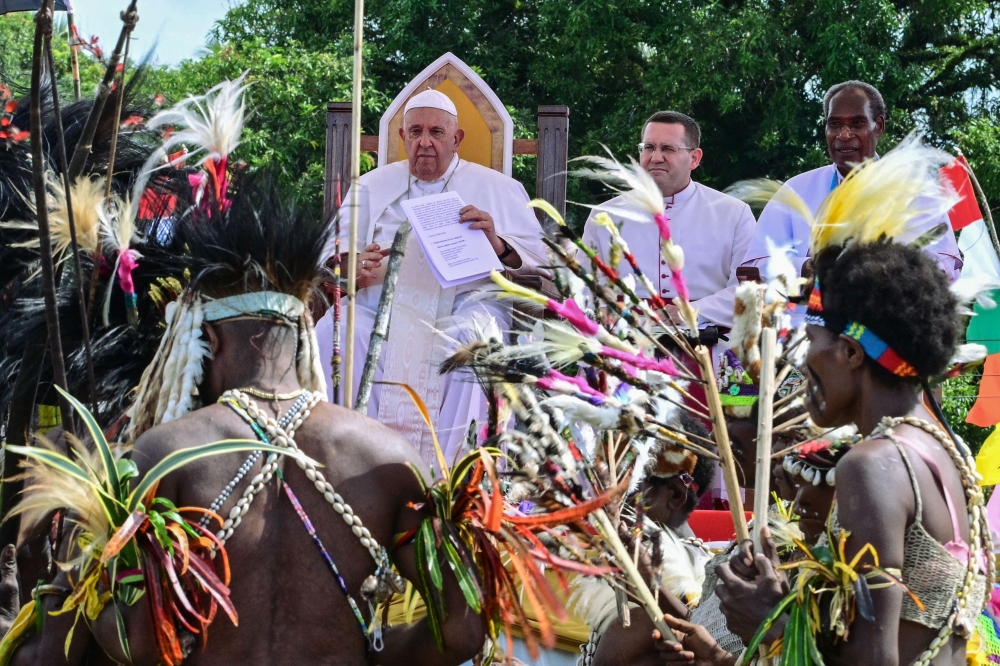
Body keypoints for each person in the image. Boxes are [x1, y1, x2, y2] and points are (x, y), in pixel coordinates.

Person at [0, 172, 486, 666]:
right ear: (299, 331)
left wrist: (68, 584)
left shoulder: (167, 454)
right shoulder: (388, 458)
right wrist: (374, 655)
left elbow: (144, 644)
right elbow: (465, 628)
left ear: (206, 340)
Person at [661, 140, 991, 665]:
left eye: (808, 339)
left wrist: (766, 621)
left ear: (849, 351)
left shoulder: (873, 466)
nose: (800, 359)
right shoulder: (940, 448)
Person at [316, 88, 547, 466]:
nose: (425, 142)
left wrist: (497, 242)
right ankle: (341, 464)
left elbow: (541, 264)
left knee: (472, 342)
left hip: (466, 304)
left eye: (436, 132)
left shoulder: (500, 189)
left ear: (456, 139)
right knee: (334, 332)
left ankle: (459, 475)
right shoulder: (370, 187)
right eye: (416, 131)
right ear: (403, 137)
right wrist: (352, 266)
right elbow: (331, 259)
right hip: (384, 306)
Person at [740, 81, 962, 292]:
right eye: (834, 124)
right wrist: (806, 268)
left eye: (857, 123)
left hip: (887, 325)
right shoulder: (796, 190)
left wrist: (883, 269)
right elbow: (755, 266)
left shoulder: (916, 191)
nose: (844, 135)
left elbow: (944, 267)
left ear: (879, 126)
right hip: (807, 323)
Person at [580, 111, 756, 333]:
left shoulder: (734, 214)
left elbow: (747, 290)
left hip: (710, 344)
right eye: (648, 147)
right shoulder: (604, 215)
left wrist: (692, 311)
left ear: (695, 158)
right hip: (625, 342)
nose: (655, 157)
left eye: (668, 149)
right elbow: (583, 287)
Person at [573, 413, 717, 666]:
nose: (603, 501)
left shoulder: (678, 588)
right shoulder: (649, 573)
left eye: (622, 486)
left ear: (674, 495)